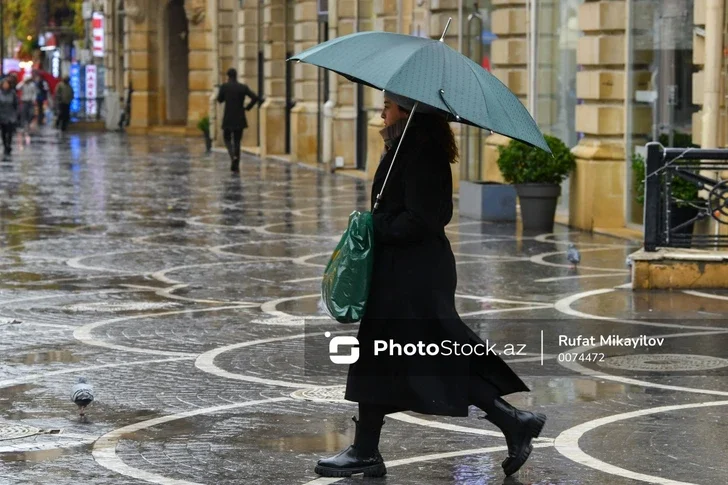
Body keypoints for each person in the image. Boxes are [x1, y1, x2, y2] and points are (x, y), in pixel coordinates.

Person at [313, 94, 547, 479]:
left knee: (414, 353)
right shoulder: (408, 146)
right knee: (388, 355)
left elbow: (423, 219)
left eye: (387, 105)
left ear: (406, 110)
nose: (381, 111)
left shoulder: (419, 151)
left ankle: (511, 420)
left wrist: (377, 225)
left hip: (413, 275)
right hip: (403, 272)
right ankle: (369, 448)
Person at [216, 67, 260, 172]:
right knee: (237, 141)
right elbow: (255, 97)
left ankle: (233, 157)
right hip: (240, 117)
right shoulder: (242, 87)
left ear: (228, 76)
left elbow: (219, 99)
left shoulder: (225, 87)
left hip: (228, 117)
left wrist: (222, 91)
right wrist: (247, 108)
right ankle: (236, 163)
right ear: (236, 76)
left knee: (227, 138)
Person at [0, 78, 19, 155]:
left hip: (11, 115)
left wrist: (16, 114)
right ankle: (5, 145)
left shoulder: (12, 93)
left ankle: (9, 145)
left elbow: (15, 104)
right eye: (4, 84)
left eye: (7, 84)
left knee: (10, 131)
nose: (5, 86)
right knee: (3, 132)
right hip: (1, 115)